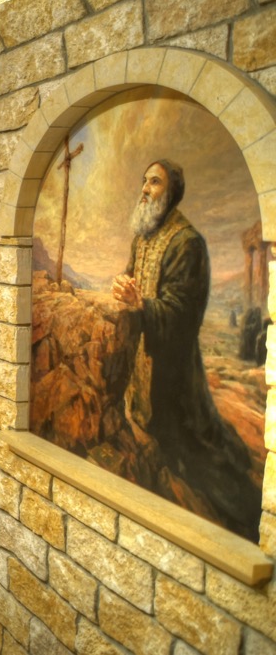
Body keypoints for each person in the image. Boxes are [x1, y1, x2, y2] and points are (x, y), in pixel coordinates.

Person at [111, 159, 260, 539]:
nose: (144, 189)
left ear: (172, 192)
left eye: (154, 182)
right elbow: (131, 277)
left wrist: (141, 304)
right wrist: (122, 286)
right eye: (144, 181)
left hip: (173, 372)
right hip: (144, 365)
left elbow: (182, 313)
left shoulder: (187, 242)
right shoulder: (143, 237)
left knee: (196, 458)